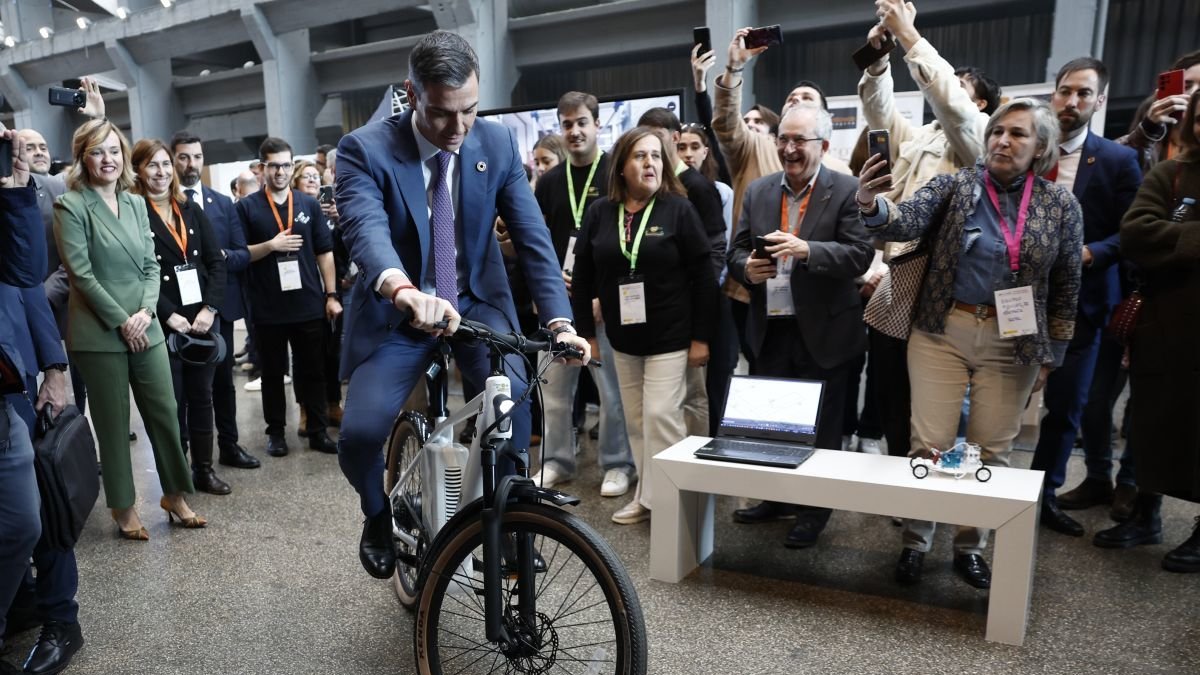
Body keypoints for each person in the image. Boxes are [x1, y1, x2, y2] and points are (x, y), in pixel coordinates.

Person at [334, 30, 590, 580]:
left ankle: (505, 520)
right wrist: (403, 290)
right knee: (359, 432)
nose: (457, 129)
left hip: (474, 300)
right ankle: (378, 513)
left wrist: (560, 320)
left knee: (514, 399)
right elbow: (366, 230)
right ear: (412, 94)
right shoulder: (363, 149)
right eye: (442, 114)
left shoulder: (494, 145)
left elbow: (533, 236)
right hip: (399, 311)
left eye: (469, 111)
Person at [857, 98, 1083, 589]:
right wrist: (871, 206)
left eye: (1018, 134)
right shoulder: (955, 185)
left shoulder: (1060, 205)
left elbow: (1066, 285)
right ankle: (916, 541)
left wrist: (1054, 355)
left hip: (1015, 340)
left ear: (1040, 147)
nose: (1003, 140)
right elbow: (904, 222)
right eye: (998, 131)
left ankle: (969, 546)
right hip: (942, 330)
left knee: (991, 451)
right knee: (929, 446)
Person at [857, 0, 1000, 460]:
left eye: (958, 85)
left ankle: (937, 481)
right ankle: (904, 477)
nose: (939, 85)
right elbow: (880, 117)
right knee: (890, 393)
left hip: (944, 286)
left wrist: (911, 40)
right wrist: (878, 64)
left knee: (935, 401)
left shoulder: (978, 132)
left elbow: (952, 106)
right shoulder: (922, 137)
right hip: (899, 277)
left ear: (978, 101)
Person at [726, 106, 874, 548]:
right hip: (770, 326)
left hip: (827, 332)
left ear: (823, 146)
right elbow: (735, 251)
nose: (789, 149)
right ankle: (776, 497)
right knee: (774, 424)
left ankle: (814, 510)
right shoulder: (758, 191)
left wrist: (806, 249)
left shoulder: (847, 191)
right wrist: (745, 269)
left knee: (822, 429)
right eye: (784, 139)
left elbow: (859, 255)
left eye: (800, 141)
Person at [53, 119, 206, 539]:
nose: (109, 159)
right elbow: (80, 274)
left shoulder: (136, 203)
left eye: (115, 151)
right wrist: (122, 320)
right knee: (113, 421)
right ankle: (123, 506)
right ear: (84, 157)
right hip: (100, 332)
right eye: (98, 151)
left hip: (145, 323)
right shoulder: (71, 206)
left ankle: (174, 494)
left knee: (165, 413)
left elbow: (151, 266)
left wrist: (143, 312)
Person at [570, 126, 717, 524]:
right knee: (635, 420)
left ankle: (675, 504)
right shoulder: (601, 212)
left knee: (660, 416)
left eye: (655, 156)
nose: (649, 163)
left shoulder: (678, 209)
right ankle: (648, 496)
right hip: (622, 338)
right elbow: (582, 276)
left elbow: (704, 276)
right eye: (640, 156)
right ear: (621, 167)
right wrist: (586, 335)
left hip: (672, 337)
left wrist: (702, 338)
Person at [1027, 58, 1143, 537]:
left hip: (1081, 305)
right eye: (1064, 92)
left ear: (1100, 101)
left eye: (1083, 94)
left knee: (1064, 406)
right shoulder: (1028, 151)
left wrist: (1091, 253)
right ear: (1052, 95)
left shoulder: (1117, 161)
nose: (1071, 102)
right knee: (999, 402)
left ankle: (1041, 497)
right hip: (1014, 301)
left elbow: (1133, 233)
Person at [1092, 89, 1200, 573]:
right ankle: (1144, 514)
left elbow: (1159, 237)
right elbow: (1137, 235)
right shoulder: (1170, 174)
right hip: (1165, 328)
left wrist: (1174, 242)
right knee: (1150, 425)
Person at [529, 91, 636, 498]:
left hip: (602, 305)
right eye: (567, 124)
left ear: (597, 124)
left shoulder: (615, 173)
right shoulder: (550, 181)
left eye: (581, 123)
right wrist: (542, 291)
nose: (574, 131)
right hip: (558, 306)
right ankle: (556, 461)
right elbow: (536, 241)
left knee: (611, 396)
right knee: (554, 393)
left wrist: (602, 296)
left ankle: (617, 465)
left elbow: (627, 239)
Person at [132, 138, 233, 497]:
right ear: (139, 171)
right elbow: (136, 273)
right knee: (172, 402)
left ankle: (204, 470)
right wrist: (168, 314)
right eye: (152, 165)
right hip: (164, 322)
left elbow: (216, 262)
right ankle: (178, 473)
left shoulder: (190, 208)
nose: (160, 172)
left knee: (203, 397)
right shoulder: (132, 212)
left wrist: (211, 309)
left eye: (164, 165)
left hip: (203, 319)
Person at [238, 137, 341, 457]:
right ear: (261, 168)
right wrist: (270, 246)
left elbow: (325, 253)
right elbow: (239, 255)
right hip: (267, 306)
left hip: (308, 302)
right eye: (273, 165)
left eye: (286, 164)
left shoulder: (308, 203)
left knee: (313, 370)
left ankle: (318, 430)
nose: (280, 171)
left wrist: (331, 295)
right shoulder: (247, 207)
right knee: (271, 373)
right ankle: (276, 433)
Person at [0, 125, 57, 674]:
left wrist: (16, 187)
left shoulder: (11, 193)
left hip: (6, 387)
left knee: (23, 521)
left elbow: (24, 273)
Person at [170, 130, 261, 470]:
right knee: (182, 389)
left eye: (196, 157)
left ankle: (230, 446)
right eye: (183, 157)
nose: (190, 164)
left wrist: (217, 256)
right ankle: (182, 456)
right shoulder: (162, 204)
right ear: (173, 159)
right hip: (176, 310)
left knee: (222, 384)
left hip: (217, 307)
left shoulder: (222, 204)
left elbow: (240, 254)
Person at [637, 108, 729, 438]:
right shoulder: (648, 186)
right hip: (658, 309)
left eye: (656, 137)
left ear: (674, 138)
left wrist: (699, 299)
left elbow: (716, 252)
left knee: (694, 394)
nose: (649, 147)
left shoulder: (698, 186)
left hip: (693, 308)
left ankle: (696, 467)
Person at [292, 157, 348, 430]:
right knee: (305, 355)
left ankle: (333, 403)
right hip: (302, 290)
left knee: (332, 350)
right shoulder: (291, 210)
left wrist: (342, 219)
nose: (313, 180)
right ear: (296, 182)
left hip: (334, 288)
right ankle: (305, 408)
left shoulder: (332, 212)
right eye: (307, 176)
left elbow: (345, 250)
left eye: (316, 176)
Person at [1118, 49, 1200, 171]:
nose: (1193, 93)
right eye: (1186, 86)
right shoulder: (1153, 120)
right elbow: (1113, 163)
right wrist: (1148, 130)